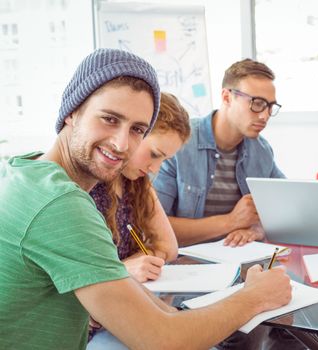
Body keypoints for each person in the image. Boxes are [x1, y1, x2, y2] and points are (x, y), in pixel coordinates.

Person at [0, 48, 292, 350]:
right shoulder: (61, 204)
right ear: (73, 111)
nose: (122, 143)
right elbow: (162, 339)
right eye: (109, 119)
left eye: (138, 129)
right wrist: (255, 296)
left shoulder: (25, 171)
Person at [153, 58, 285, 247]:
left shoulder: (262, 151)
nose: (264, 115)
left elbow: (284, 208)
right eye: (257, 103)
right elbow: (154, 229)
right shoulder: (179, 143)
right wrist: (230, 222)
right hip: (186, 263)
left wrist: (258, 229)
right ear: (226, 97)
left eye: (270, 106)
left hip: (240, 259)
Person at [90, 92, 190, 283]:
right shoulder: (89, 184)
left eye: (164, 160)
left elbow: (169, 247)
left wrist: (140, 262)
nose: (155, 168)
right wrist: (123, 270)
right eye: (154, 154)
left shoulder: (136, 183)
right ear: (135, 133)